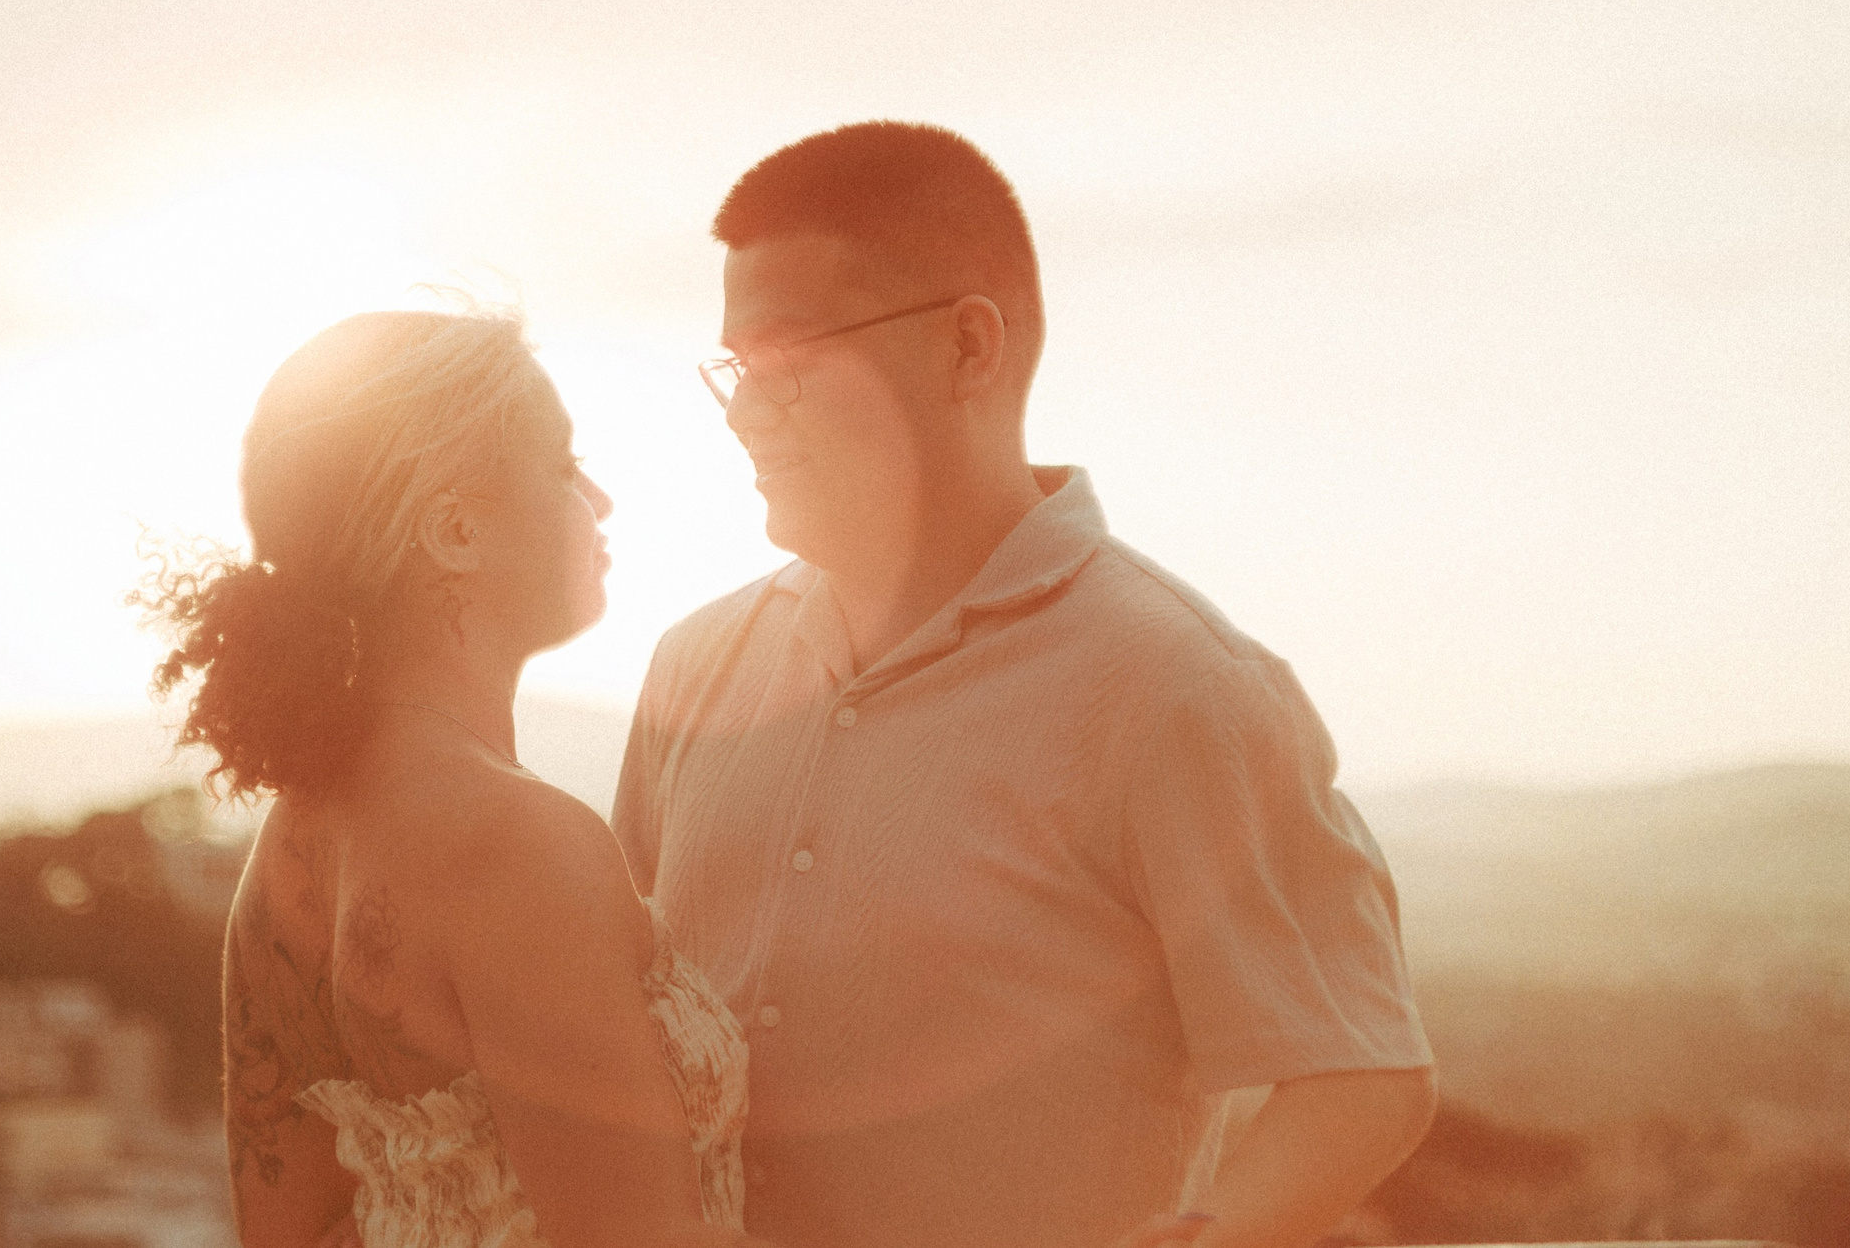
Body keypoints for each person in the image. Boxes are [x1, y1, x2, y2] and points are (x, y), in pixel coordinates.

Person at [613, 123, 1440, 1248]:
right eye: (736, 371)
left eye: (792, 364)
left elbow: (1360, 1073)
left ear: (967, 348)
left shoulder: (1175, 685)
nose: (746, 414)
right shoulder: (692, 666)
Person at [136, 309, 759, 1248]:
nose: (599, 497)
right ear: (458, 531)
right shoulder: (520, 842)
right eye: (562, 465)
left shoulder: (292, 849)